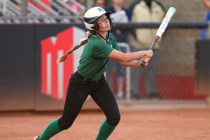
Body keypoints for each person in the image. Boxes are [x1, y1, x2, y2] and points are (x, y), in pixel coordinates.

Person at [34, 7, 153, 140]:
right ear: (94, 25)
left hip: (98, 82)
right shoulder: (96, 43)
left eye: (106, 18)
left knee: (114, 118)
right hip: (80, 84)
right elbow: (124, 57)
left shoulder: (110, 37)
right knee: (65, 123)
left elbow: (122, 60)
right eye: (101, 20)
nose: (106, 21)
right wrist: (144, 52)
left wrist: (138, 63)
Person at [128, 0, 165, 99]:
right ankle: (133, 92)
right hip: (138, 45)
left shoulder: (159, 6)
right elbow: (128, 23)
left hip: (153, 46)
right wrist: (137, 37)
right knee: (134, 69)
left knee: (151, 70)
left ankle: (152, 93)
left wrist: (160, 39)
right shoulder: (134, 6)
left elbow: (164, 24)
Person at [106, 0, 131, 99]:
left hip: (123, 43)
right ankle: (109, 91)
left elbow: (129, 26)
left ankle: (120, 92)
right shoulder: (107, 11)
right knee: (109, 68)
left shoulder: (127, 11)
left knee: (121, 69)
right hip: (110, 44)